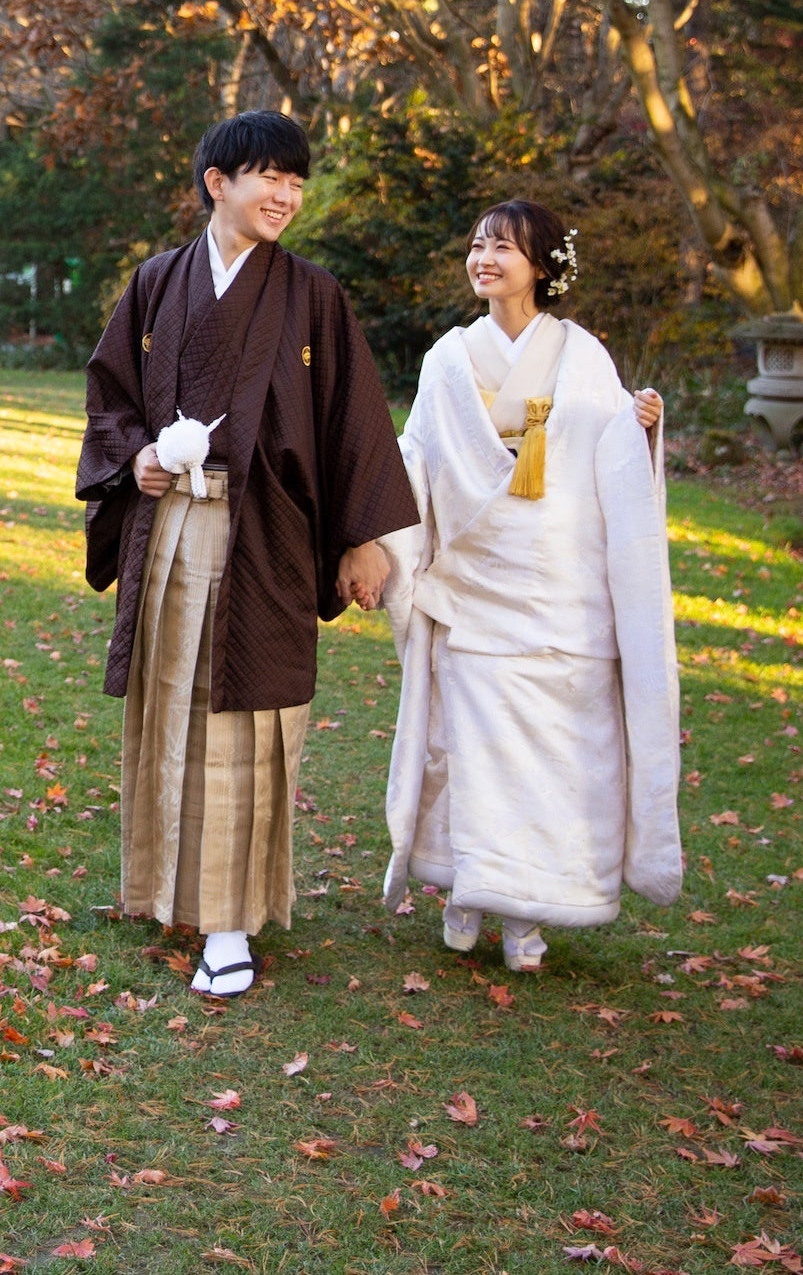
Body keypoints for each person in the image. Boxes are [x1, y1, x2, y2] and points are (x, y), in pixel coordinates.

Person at [78, 111, 418, 997]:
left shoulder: (312, 295)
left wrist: (362, 539)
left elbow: (354, 422)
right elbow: (109, 395)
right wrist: (140, 458)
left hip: (264, 535)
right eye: (269, 177)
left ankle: (229, 925)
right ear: (216, 182)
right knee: (171, 708)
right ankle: (167, 889)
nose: (286, 196)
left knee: (241, 724)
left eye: (297, 182)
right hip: (171, 531)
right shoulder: (158, 284)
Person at [377, 200, 683, 970]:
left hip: (559, 585)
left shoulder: (584, 356)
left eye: (504, 247)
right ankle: (469, 891)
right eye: (478, 243)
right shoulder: (450, 356)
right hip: (478, 582)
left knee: (555, 758)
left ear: (542, 266)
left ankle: (526, 914)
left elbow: (609, 454)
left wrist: (640, 427)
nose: (485, 258)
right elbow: (418, 454)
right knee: (472, 753)